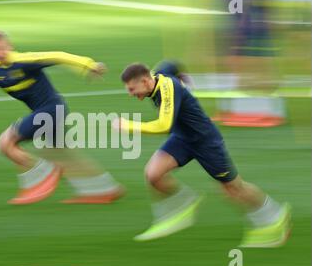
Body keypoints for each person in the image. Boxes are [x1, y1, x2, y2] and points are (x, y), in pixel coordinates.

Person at [113, 61, 291, 247]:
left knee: (232, 189)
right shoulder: (157, 75)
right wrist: (186, 79)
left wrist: (130, 126)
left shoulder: (168, 88)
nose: (131, 94)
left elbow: (164, 125)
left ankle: (275, 215)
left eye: (132, 89)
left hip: (205, 142)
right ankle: (184, 203)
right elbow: (171, 64)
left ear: (144, 81)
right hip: (182, 138)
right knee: (153, 174)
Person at [0, 31, 123, 205]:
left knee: (6, 142)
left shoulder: (24, 61)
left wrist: (89, 65)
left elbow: (57, 55)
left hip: (51, 110)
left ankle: (46, 172)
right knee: (62, 155)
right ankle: (106, 189)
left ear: (10, 46)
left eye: (1, 48)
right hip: (52, 111)